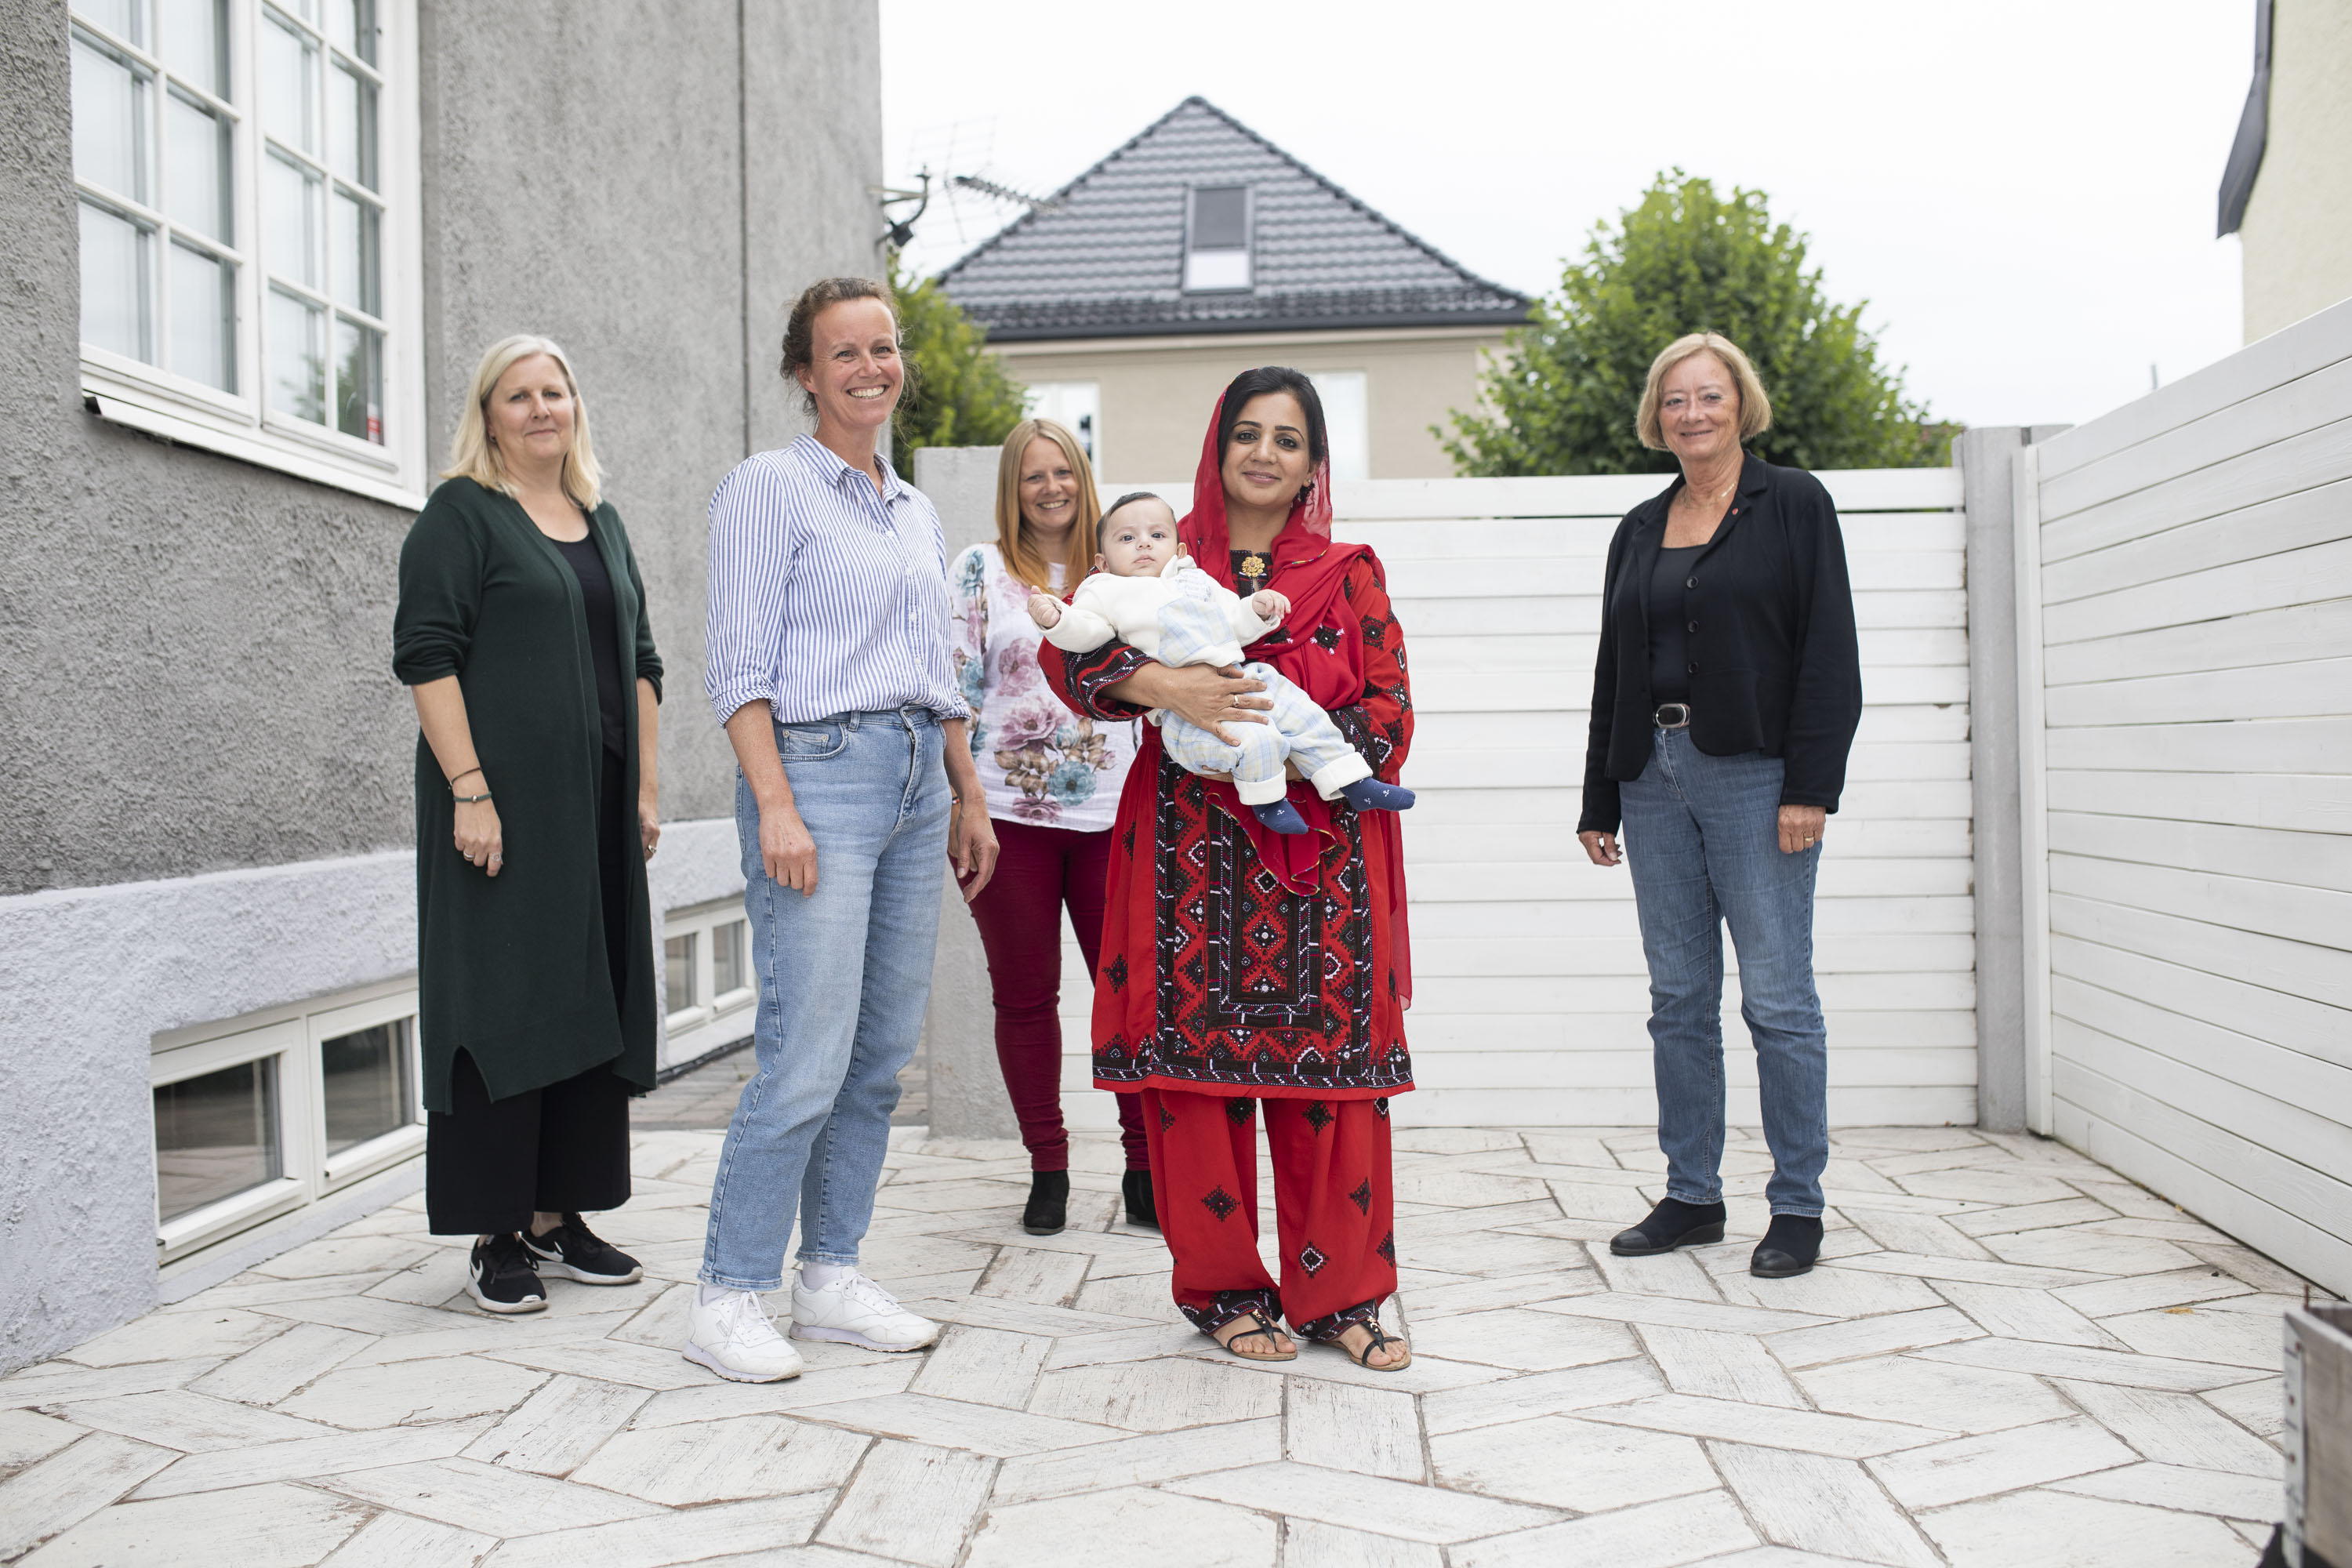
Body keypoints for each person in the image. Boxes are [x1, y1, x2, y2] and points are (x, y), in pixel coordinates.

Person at [1040, 367, 1415, 1371]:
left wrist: (1292, 746)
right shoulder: (1157, 553)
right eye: (1247, 432)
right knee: (1192, 1085)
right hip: (1185, 858)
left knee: (1329, 1084)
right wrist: (1168, 686)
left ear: (1312, 464)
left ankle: (1343, 1294)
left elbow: (1391, 709)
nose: (1264, 453)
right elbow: (1072, 657)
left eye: (1288, 439)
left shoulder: (1350, 569)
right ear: (1217, 446)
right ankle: (1222, 1288)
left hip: (1323, 855)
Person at [687, 277, 1000, 1383]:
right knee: (804, 1055)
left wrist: (966, 790)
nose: (871, 367)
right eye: (844, 352)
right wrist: (774, 801)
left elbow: (938, 671)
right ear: (806, 373)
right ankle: (727, 1292)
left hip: (919, 780)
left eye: (885, 347)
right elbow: (738, 665)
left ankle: (828, 1276)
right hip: (817, 774)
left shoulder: (912, 509)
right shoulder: (769, 488)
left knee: (875, 1060)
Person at [1576, 332, 1863, 1280]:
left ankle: (1798, 1206)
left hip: (1756, 777)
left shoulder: (1795, 505)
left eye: (1710, 396)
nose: (1692, 413)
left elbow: (1831, 654)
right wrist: (1599, 798)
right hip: (1649, 776)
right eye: (1674, 400)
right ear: (1657, 417)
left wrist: (1811, 787)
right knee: (1679, 998)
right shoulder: (1639, 525)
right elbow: (1613, 670)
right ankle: (1693, 1193)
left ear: (1742, 403)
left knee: (1779, 1000)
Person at [393, 335, 661, 1316]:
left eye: (557, 391)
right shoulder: (462, 514)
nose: (542, 407)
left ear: (576, 407)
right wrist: (469, 788)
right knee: (502, 999)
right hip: (498, 810)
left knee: (591, 989)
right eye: (520, 395)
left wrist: (644, 790)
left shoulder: (603, 522)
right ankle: (495, 1230)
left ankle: (561, 1212)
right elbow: (426, 656)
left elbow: (642, 661)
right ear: (490, 413)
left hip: (596, 803)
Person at [948, 421, 1149, 1237]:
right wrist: (965, 801)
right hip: (1006, 821)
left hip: (1118, 818)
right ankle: (1049, 1167)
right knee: (1026, 997)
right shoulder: (978, 569)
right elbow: (951, 691)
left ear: (1084, 477)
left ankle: (1144, 1169)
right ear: (1013, 487)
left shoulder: (1127, 565)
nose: (1051, 487)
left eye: (1063, 471)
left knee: (1131, 997)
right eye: (1033, 475)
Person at [1032, 492, 1415, 836]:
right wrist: (1057, 621)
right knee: (1254, 738)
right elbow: (1085, 636)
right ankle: (1266, 798)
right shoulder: (1105, 590)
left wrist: (1259, 609)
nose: (1144, 544)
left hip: (1244, 675)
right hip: (1185, 715)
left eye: (1157, 536)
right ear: (1102, 560)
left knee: (1303, 715)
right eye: (1127, 538)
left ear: (1179, 550)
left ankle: (1350, 779)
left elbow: (1234, 620)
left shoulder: (1195, 580)